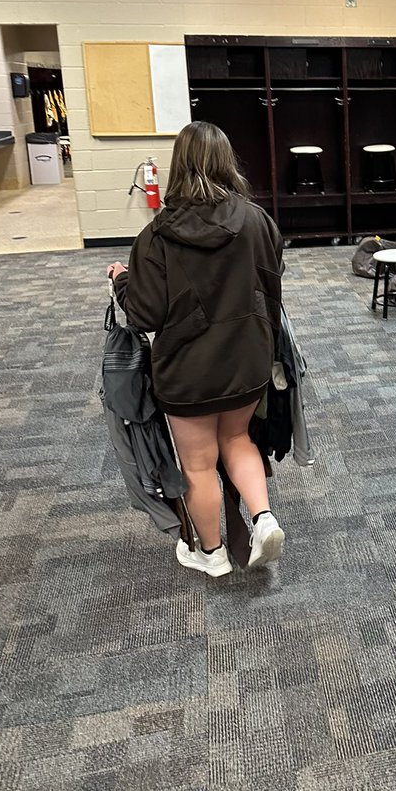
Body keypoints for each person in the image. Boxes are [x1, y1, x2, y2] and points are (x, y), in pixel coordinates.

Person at [107, 121, 286, 576]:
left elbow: (144, 315)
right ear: (227, 162)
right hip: (249, 358)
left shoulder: (156, 236)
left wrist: (121, 280)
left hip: (188, 370)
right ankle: (263, 520)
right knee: (238, 438)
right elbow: (272, 282)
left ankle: (212, 554)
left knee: (199, 463)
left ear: (178, 166)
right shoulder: (256, 220)